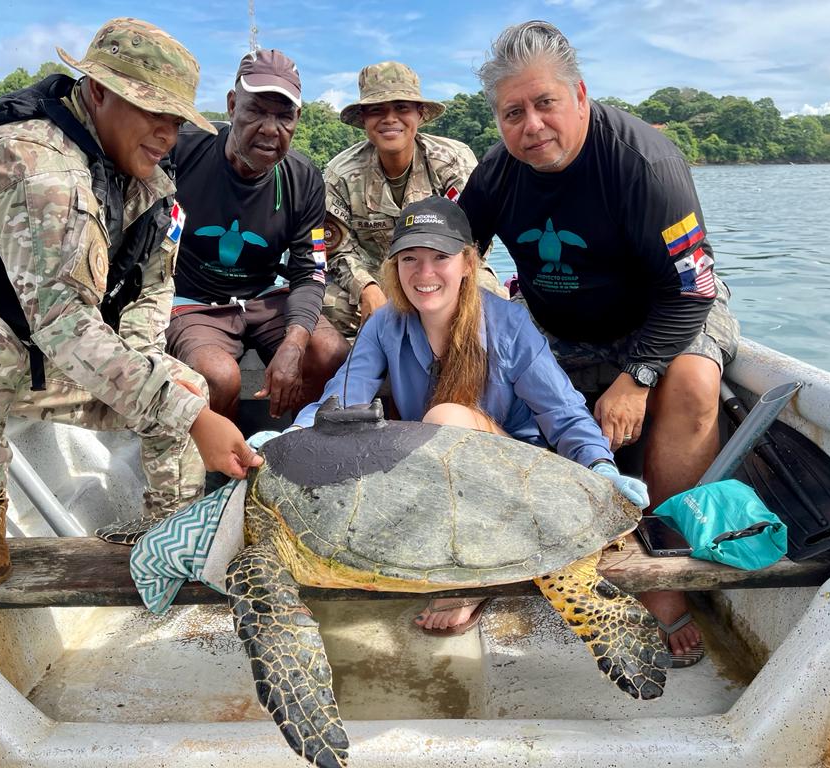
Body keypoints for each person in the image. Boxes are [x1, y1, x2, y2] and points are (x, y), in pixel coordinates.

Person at [0, 19, 262, 590]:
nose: (166, 134)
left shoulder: (151, 188)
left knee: (180, 383)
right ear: (96, 91)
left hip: (35, 350)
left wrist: (170, 391)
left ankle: (171, 530)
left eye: (175, 120)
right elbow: (64, 325)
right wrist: (192, 418)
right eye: (151, 111)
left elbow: (147, 305)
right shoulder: (40, 167)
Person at [458, 20, 741, 665]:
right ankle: (486, 558)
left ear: (580, 95)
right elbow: (455, 251)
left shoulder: (645, 164)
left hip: (666, 313)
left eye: (546, 103)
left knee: (693, 385)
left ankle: (663, 572)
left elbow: (692, 288)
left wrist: (637, 377)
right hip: (560, 322)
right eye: (513, 113)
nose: (532, 126)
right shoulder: (498, 173)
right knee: (473, 373)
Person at [293, 197, 648, 634]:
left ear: (467, 263)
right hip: (440, 472)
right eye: (410, 258)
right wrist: (294, 435)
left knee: (446, 418)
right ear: (394, 267)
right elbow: (343, 398)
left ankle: (473, 580)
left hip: (516, 482)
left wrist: (601, 468)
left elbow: (564, 413)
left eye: (440, 257)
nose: (424, 273)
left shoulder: (509, 324)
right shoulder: (386, 323)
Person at [167, 49, 349, 421]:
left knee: (329, 353)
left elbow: (311, 270)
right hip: (193, 299)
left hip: (265, 294)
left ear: (297, 120)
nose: (270, 129)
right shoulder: (183, 151)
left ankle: (297, 442)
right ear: (232, 105)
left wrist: (295, 342)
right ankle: (225, 454)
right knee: (217, 376)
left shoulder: (304, 179)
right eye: (256, 111)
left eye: (284, 116)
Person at [320, 61, 505, 337]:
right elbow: (336, 250)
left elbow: (474, 240)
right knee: (326, 305)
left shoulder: (453, 162)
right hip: (377, 279)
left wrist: (433, 286)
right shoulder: (341, 173)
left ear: (419, 113)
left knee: (489, 301)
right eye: (377, 110)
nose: (390, 119)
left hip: (444, 273)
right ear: (364, 119)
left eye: (402, 108)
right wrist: (366, 288)